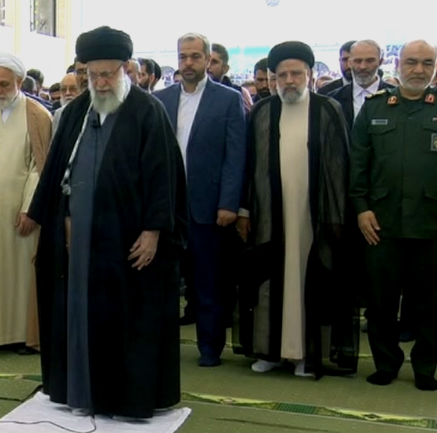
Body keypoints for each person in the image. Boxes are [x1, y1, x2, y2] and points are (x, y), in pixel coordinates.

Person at [28, 26, 187, 418]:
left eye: (107, 75)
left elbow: (163, 178)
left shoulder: (147, 112)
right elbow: (57, 175)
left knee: (127, 322)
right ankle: (80, 393)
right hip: (79, 242)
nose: (99, 82)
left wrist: (153, 232)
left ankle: (124, 399)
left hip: (128, 242)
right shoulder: (76, 112)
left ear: (127, 70)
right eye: (92, 75)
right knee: (78, 316)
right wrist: (58, 219)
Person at [236, 41, 357, 378]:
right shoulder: (262, 111)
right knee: (269, 280)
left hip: (313, 216)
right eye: (282, 74)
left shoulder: (328, 110)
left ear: (309, 74)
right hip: (270, 217)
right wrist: (245, 210)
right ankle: (271, 351)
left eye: (296, 73)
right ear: (273, 78)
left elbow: (339, 167)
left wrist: (335, 217)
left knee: (310, 280)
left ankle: (306, 355)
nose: (289, 80)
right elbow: (251, 167)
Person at [349, 40, 437, 391]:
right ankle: (386, 363)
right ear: (398, 65)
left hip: (431, 225)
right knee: (380, 304)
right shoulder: (373, 108)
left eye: (427, 63)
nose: (419, 70)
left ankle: (426, 367)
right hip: (380, 224)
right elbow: (358, 164)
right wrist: (361, 208)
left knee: (431, 305)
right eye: (412, 62)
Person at [154, 33, 246, 367]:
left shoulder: (228, 99)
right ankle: (162, 344)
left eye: (195, 56)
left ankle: (209, 347)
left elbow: (235, 157)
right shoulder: (160, 99)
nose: (188, 63)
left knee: (208, 283)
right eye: (183, 57)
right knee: (163, 282)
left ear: (208, 60)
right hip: (166, 208)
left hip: (209, 207)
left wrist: (228, 203)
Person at [0, 52, 52, 352]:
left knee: (22, 275)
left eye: (4, 84)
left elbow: (40, 166)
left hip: (21, 212)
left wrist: (29, 208)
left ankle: (23, 336)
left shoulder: (37, 115)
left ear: (20, 82)